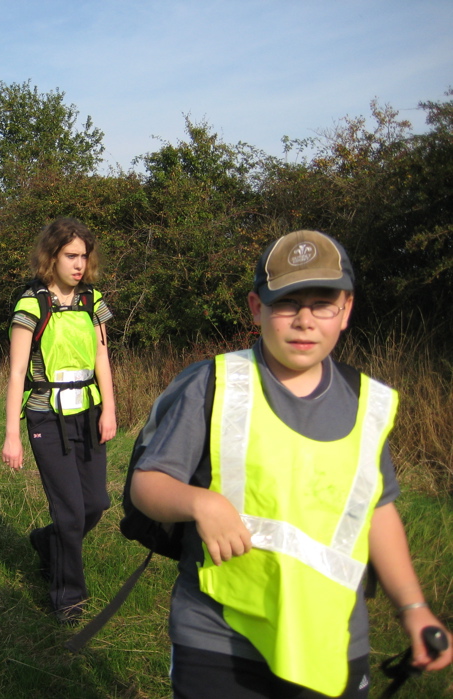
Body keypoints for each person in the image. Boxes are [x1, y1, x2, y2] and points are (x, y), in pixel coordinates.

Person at [129, 230, 451, 697]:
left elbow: (377, 510)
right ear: (257, 308)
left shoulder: (370, 404)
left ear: (346, 311)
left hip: (331, 637)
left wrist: (414, 607)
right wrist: (200, 503)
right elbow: (148, 485)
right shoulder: (215, 385)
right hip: (220, 637)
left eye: (323, 303)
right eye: (287, 303)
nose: (304, 320)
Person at [2, 217, 117, 625]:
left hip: (88, 412)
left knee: (97, 504)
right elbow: (17, 373)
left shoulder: (93, 301)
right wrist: (11, 436)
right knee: (69, 513)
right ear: (51, 257)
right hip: (46, 415)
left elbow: (103, 357)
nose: (79, 264)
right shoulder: (30, 304)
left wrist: (110, 409)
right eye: (71, 255)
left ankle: (46, 542)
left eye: (83, 256)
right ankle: (68, 596)